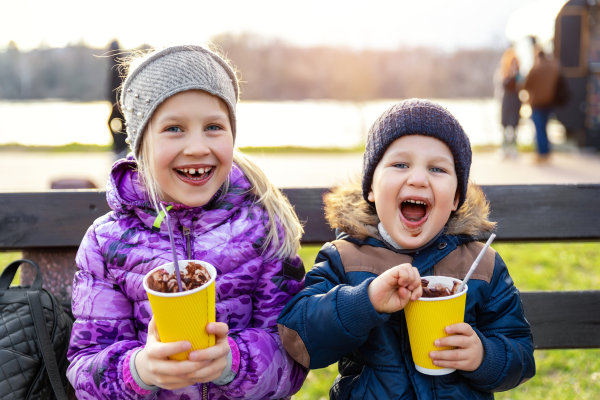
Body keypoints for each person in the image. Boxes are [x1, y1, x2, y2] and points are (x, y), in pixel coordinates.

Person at [67, 45, 308, 399]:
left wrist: (234, 364)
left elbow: (294, 358)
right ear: (140, 143)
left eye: (213, 127)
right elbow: (84, 367)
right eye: (174, 128)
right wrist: (139, 370)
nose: (197, 147)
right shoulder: (108, 244)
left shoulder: (264, 227)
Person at [277, 99, 535, 399]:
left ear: (455, 198)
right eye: (400, 164)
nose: (418, 178)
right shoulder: (344, 258)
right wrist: (365, 301)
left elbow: (521, 356)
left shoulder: (482, 264)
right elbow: (298, 339)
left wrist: (483, 356)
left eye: (437, 168)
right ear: (371, 187)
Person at [524, 47, 561, 163]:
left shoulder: (536, 69)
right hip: (549, 103)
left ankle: (541, 154)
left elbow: (526, 85)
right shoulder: (553, 67)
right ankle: (547, 152)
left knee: (539, 129)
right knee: (544, 128)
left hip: (537, 103)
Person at [497, 47, 522, 158]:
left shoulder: (519, 74)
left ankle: (514, 148)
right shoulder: (504, 73)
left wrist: (516, 76)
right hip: (507, 100)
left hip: (516, 101)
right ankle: (504, 148)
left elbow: (522, 85)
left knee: (515, 124)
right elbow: (503, 85)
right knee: (505, 124)